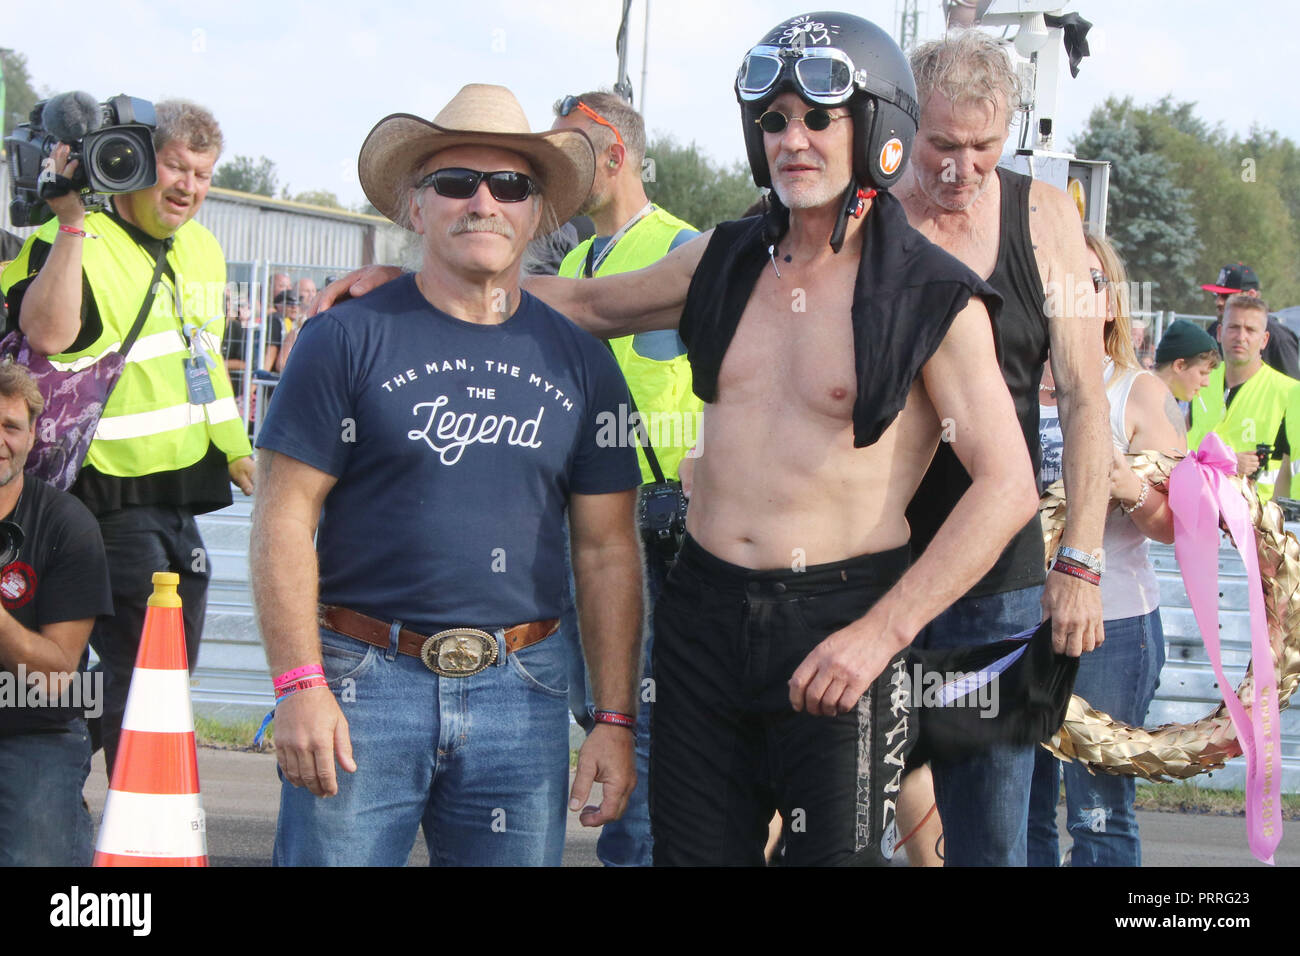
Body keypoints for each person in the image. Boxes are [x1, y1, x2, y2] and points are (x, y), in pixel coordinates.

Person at [314, 12, 1044, 867]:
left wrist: (880, 635)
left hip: (843, 626)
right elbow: (588, 305)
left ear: (878, 128)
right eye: (773, 120)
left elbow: (1008, 489)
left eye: (818, 119)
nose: (792, 140)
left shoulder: (933, 297)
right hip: (701, 618)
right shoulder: (724, 258)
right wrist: (418, 281)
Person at [250, 83, 644, 867]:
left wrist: (614, 718)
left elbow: (607, 550)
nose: (484, 202)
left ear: (536, 211)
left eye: (511, 186)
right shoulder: (343, 339)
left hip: (523, 694)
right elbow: (282, 517)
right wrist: (299, 683)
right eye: (456, 183)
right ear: (415, 206)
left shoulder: (584, 364)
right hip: (363, 686)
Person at [892, 28, 1109, 867]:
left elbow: (1088, 399)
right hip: (860, 563)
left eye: (984, 148)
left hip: (995, 577)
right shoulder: (861, 207)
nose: (960, 168)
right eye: (941, 144)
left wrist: (1081, 561)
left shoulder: (1045, 216)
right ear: (906, 124)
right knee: (823, 821)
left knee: (989, 837)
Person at [0, 100, 255, 775]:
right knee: (140, 667)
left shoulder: (202, 248)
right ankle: (123, 814)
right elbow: (47, 335)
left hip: (182, 498)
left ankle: (57, 788)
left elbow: (205, 360)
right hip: (103, 495)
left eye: (202, 174)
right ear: (134, 162)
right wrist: (72, 223)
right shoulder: (73, 237)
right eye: (174, 166)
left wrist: (238, 453)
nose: (187, 186)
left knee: (165, 664)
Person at [550, 89, 699, 868]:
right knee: (599, 703)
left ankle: (636, 856)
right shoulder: (575, 260)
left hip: (655, 517)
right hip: (587, 517)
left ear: (615, 155)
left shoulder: (685, 246)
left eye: (573, 153)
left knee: (638, 709)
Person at [1028, 233, 1183, 866]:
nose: (1072, 295)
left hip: (1111, 629)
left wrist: (1132, 489)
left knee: (1098, 815)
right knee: (1019, 809)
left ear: (1112, 302)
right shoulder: (999, 385)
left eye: (1090, 282)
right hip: (1012, 627)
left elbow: (1178, 525)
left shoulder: (1135, 393)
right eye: (1054, 282)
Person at [0, 362, 113, 866]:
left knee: (34, 857)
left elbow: (54, 673)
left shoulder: (68, 525)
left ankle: (63, 805)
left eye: (10, 426)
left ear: (30, 439)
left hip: (33, 728)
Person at [1188, 294, 1298, 501]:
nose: (1241, 337)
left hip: (1256, 521)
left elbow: (1295, 469)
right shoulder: (1198, 382)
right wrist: (1226, 462)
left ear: (1264, 340)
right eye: (1234, 327)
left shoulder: (1289, 392)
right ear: (1220, 333)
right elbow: (1180, 450)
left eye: (1250, 330)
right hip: (1198, 509)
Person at [1202, 263, 1299, 379]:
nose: (1218, 302)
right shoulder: (1214, 329)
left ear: (1251, 295)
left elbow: (1291, 387)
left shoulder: (1278, 336)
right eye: (1216, 295)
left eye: (1226, 296)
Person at [1152, 318, 1219, 410]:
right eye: (1202, 373)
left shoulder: (1159, 402)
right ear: (1179, 365)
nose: (1206, 383)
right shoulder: (1144, 403)